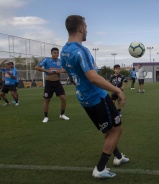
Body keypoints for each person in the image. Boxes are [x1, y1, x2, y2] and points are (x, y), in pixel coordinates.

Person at [60, 15, 129, 179]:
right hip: (97, 97)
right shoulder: (81, 50)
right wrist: (118, 91)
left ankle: (118, 157)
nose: (87, 30)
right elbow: (93, 77)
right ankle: (100, 168)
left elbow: (73, 75)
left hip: (84, 98)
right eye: (86, 26)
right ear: (81, 28)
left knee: (108, 129)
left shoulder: (64, 51)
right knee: (117, 130)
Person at [35, 47, 69, 123]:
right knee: (47, 100)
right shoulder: (46, 60)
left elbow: (66, 69)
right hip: (49, 83)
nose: (56, 54)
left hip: (57, 83)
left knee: (63, 98)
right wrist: (47, 70)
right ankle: (46, 117)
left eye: (57, 53)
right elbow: (37, 67)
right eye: (54, 53)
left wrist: (59, 71)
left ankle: (62, 114)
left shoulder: (60, 61)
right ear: (51, 53)